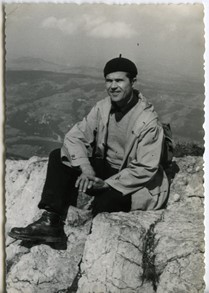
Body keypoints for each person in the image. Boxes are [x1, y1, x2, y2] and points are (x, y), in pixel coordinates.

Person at [8, 56, 169, 244]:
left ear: (133, 82)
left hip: (130, 180)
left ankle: (92, 243)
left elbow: (144, 168)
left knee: (106, 203)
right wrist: (87, 169)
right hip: (106, 167)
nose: (113, 86)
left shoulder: (148, 121)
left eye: (119, 80)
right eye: (109, 80)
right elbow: (74, 137)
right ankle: (50, 221)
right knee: (58, 156)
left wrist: (108, 184)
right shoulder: (102, 108)